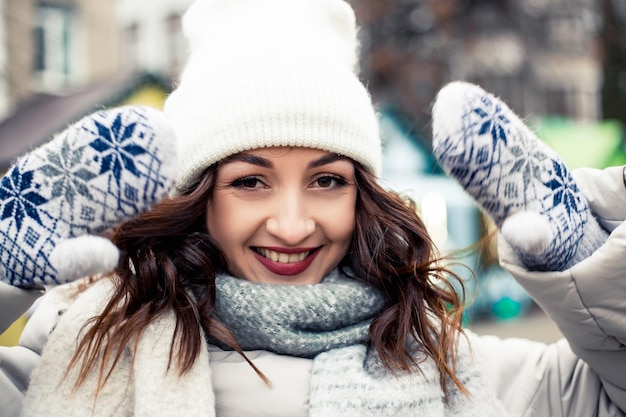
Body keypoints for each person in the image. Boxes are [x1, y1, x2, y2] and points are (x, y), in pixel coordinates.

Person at [1, 0, 626, 416]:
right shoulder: (77, 351)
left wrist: (589, 268)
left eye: (327, 181)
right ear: (197, 202)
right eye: (250, 182)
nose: (295, 223)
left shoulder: (465, 368)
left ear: (365, 197)